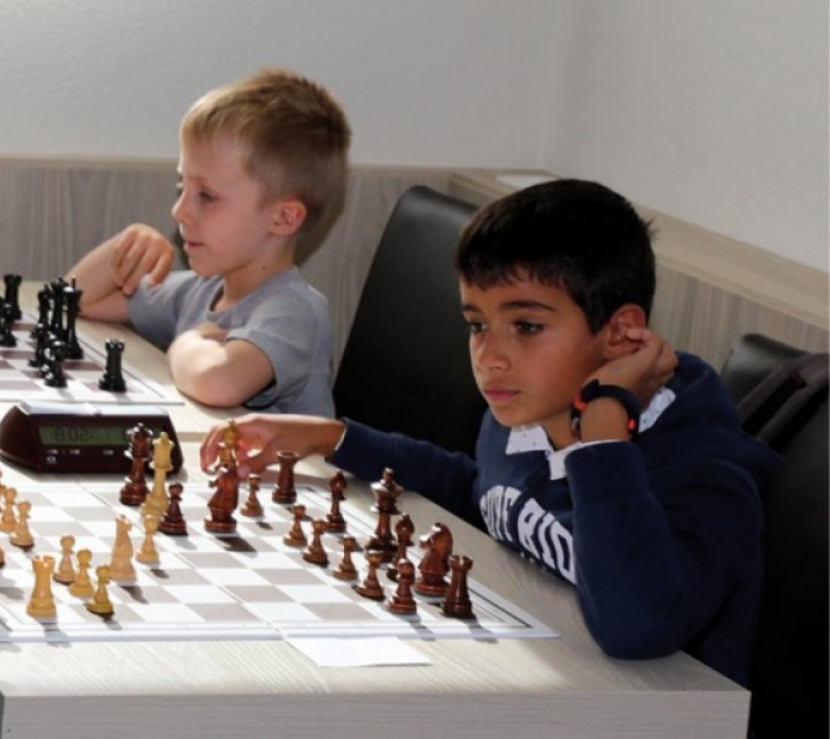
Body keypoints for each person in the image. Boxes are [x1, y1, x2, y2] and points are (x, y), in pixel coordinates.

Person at [202, 179, 778, 688]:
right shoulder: (529, 412)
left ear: (622, 334)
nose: (489, 357)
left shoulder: (700, 467)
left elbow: (636, 626)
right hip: (541, 680)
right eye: (477, 325)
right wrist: (333, 438)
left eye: (526, 326)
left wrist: (604, 434)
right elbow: (484, 493)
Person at [67, 68, 350, 416]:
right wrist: (123, 248)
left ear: (283, 218)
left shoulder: (293, 313)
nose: (179, 211)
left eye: (207, 195)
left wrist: (186, 344)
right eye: (181, 188)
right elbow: (75, 300)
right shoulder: (202, 290)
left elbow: (218, 382)